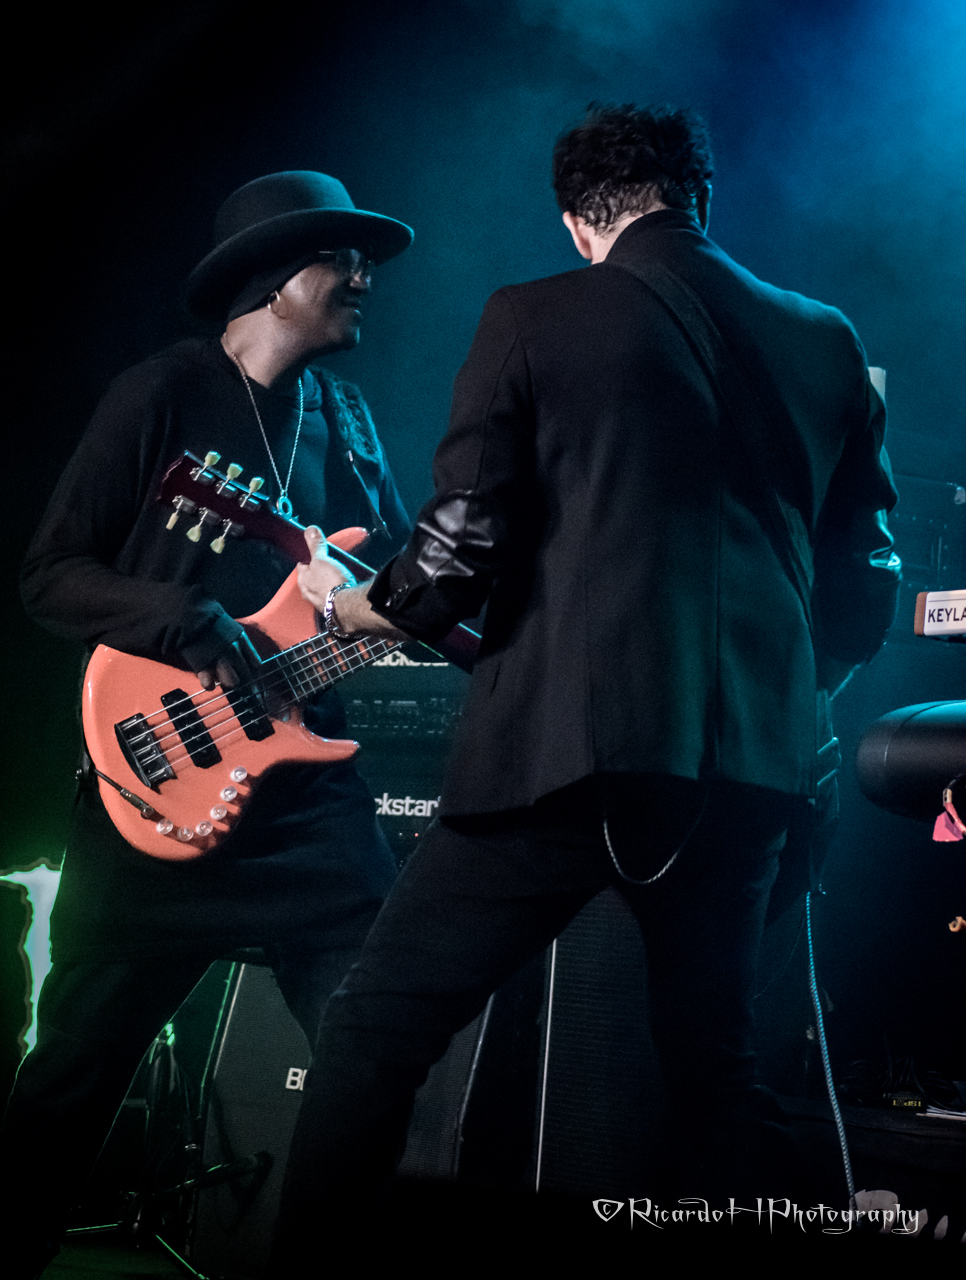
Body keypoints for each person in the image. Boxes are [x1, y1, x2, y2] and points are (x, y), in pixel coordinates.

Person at [278, 105, 902, 1226]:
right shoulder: (824, 337)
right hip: (746, 775)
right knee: (714, 1074)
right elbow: (866, 575)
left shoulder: (533, 314)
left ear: (576, 220)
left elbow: (458, 551)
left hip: (564, 756)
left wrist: (371, 606)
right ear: (698, 199)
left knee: (375, 1029)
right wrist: (789, 697)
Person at [0, 170, 414, 1278]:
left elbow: (397, 583)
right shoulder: (160, 394)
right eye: (339, 258)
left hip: (306, 800)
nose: (364, 276)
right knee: (75, 1067)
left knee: (374, 1041)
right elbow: (49, 574)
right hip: (157, 775)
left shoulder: (347, 419)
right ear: (271, 279)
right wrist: (183, 615)